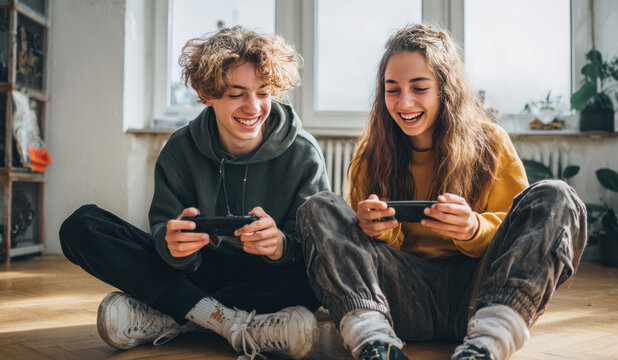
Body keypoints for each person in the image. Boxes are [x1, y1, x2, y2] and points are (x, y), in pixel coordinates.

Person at [296, 24, 587, 360]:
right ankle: (373, 341)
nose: (404, 102)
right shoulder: (370, 155)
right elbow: (356, 253)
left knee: (557, 197)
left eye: (419, 87)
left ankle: (486, 345)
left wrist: (474, 228)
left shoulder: (490, 143)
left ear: (445, 89)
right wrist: (378, 231)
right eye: (392, 90)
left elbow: (518, 233)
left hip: (483, 297)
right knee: (320, 206)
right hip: (398, 301)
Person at [59, 27, 329, 360]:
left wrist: (281, 246)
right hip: (199, 272)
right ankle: (229, 322)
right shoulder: (179, 150)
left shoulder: (304, 153)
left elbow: (313, 247)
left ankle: (175, 315)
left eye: (263, 92)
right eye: (236, 94)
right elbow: (164, 236)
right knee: (80, 225)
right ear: (208, 94)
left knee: (314, 281)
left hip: (266, 277)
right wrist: (174, 246)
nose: (254, 107)